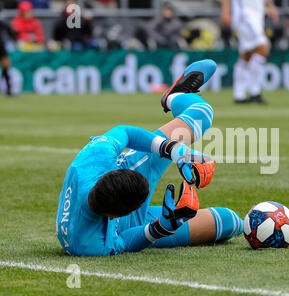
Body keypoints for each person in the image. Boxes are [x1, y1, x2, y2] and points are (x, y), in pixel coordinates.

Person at [56, 59, 244, 256]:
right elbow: (125, 241)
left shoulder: (92, 160)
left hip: (127, 176)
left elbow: (125, 132)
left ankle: (174, 96)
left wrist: (172, 149)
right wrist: (162, 226)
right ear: (115, 216)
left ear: (109, 174)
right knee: (228, 222)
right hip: (126, 222)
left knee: (201, 115)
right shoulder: (92, 246)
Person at [221, 0, 279, 104]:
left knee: (246, 54)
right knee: (263, 47)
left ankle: (239, 95)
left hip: (256, 13)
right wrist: (226, 11)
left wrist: (270, 6)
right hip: (245, 15)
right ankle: (255, 92)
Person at [0, 20, 17, 96]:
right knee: (5, 68)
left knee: (6, 68)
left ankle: (8, 89)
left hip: (1, 47)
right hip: (1, 47)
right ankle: (8, 89)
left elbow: (11, 31)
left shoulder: (2, 23)